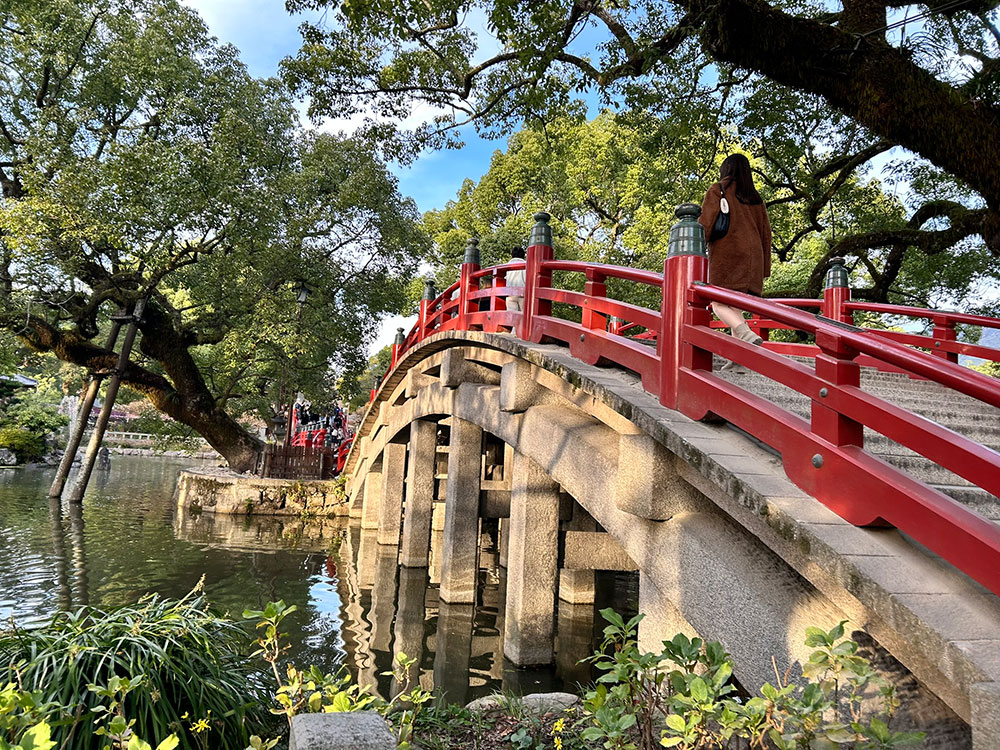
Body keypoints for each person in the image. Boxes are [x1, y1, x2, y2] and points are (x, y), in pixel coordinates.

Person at [698, 153, 772, 346]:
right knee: (736, 308)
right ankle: (736, 361)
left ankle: (745, 333)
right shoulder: (756, 200)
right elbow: (766, 235)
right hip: (754, 259)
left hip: (728, 254)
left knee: (717, 302)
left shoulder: (719, 190)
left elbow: (705, 223)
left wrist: (694, 249)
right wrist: (764, 269)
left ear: (727, 170)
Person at [505, 247, 526, 312]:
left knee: (512, 319)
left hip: (510, 294)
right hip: (522, 295)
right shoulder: (526, 264)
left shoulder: (507, 265)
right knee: (524, 319)